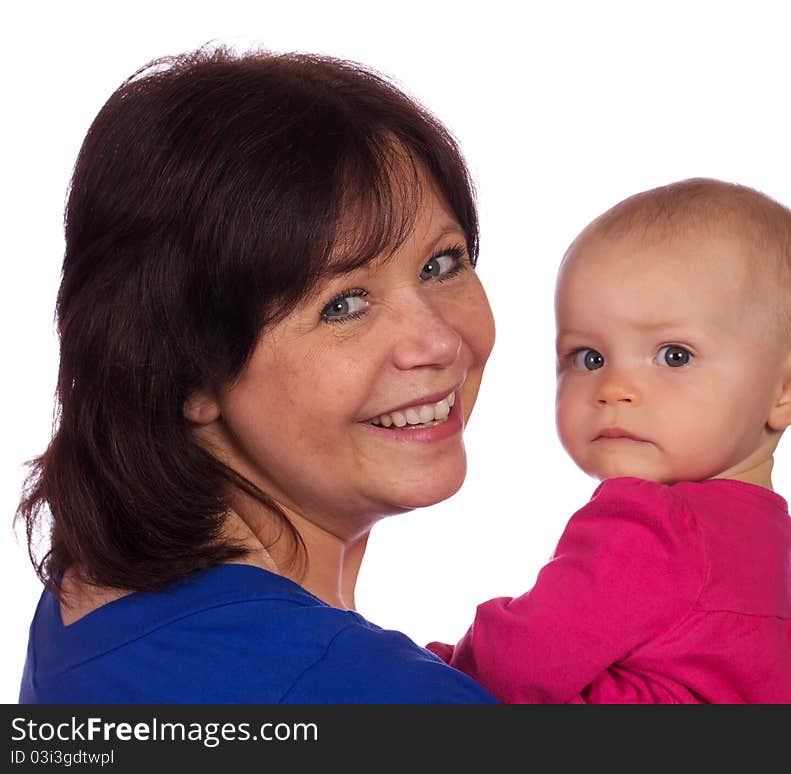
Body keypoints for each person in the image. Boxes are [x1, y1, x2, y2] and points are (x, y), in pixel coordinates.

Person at [16, 46, 499, 703]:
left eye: (441, 264)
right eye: (344, 304)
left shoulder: (84, 604)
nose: (439, 342)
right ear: (185, 369)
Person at [428, 178, 791, 703]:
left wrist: (431, 665)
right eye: (588, 358)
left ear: (790, 388)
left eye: (674, 356)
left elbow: (515, 664)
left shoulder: (650, 524)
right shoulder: (761, 543)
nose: (615, 389)